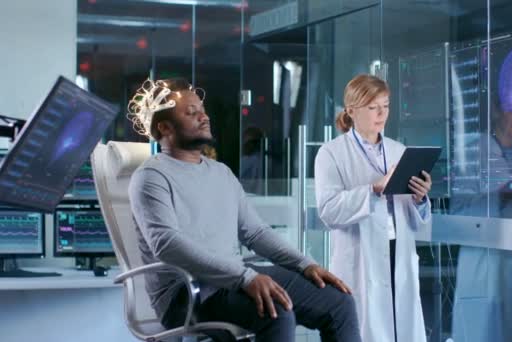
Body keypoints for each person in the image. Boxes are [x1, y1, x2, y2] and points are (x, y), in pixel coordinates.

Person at [126, 78, 362, 342]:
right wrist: (244, 277)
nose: (204, 117)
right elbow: (167, 244)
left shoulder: (220, 173)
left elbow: (256, 233)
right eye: (191, 113)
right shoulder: (150, 177)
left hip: (234, 279)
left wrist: (305, 265)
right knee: (276, 311)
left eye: (202, 111)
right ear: (165, 128)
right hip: (188, 295)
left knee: (339, 302)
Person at [314, 74, 432, 342]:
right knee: (366, 330)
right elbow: (328, 210)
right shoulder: (331, 153)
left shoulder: (399, 150)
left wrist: (420, 198)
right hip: (360, 258)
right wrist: (373, 189)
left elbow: (416, 219)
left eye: (386, 105)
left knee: (402, 326)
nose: (382, 113)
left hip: (398, 252)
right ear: (352, 111)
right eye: (372, 107)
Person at [451, 108, 512, 342]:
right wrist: (502, 195)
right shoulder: (474, 152)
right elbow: (458, 211)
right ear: (497, 112)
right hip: (486, 262)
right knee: (488, 330)